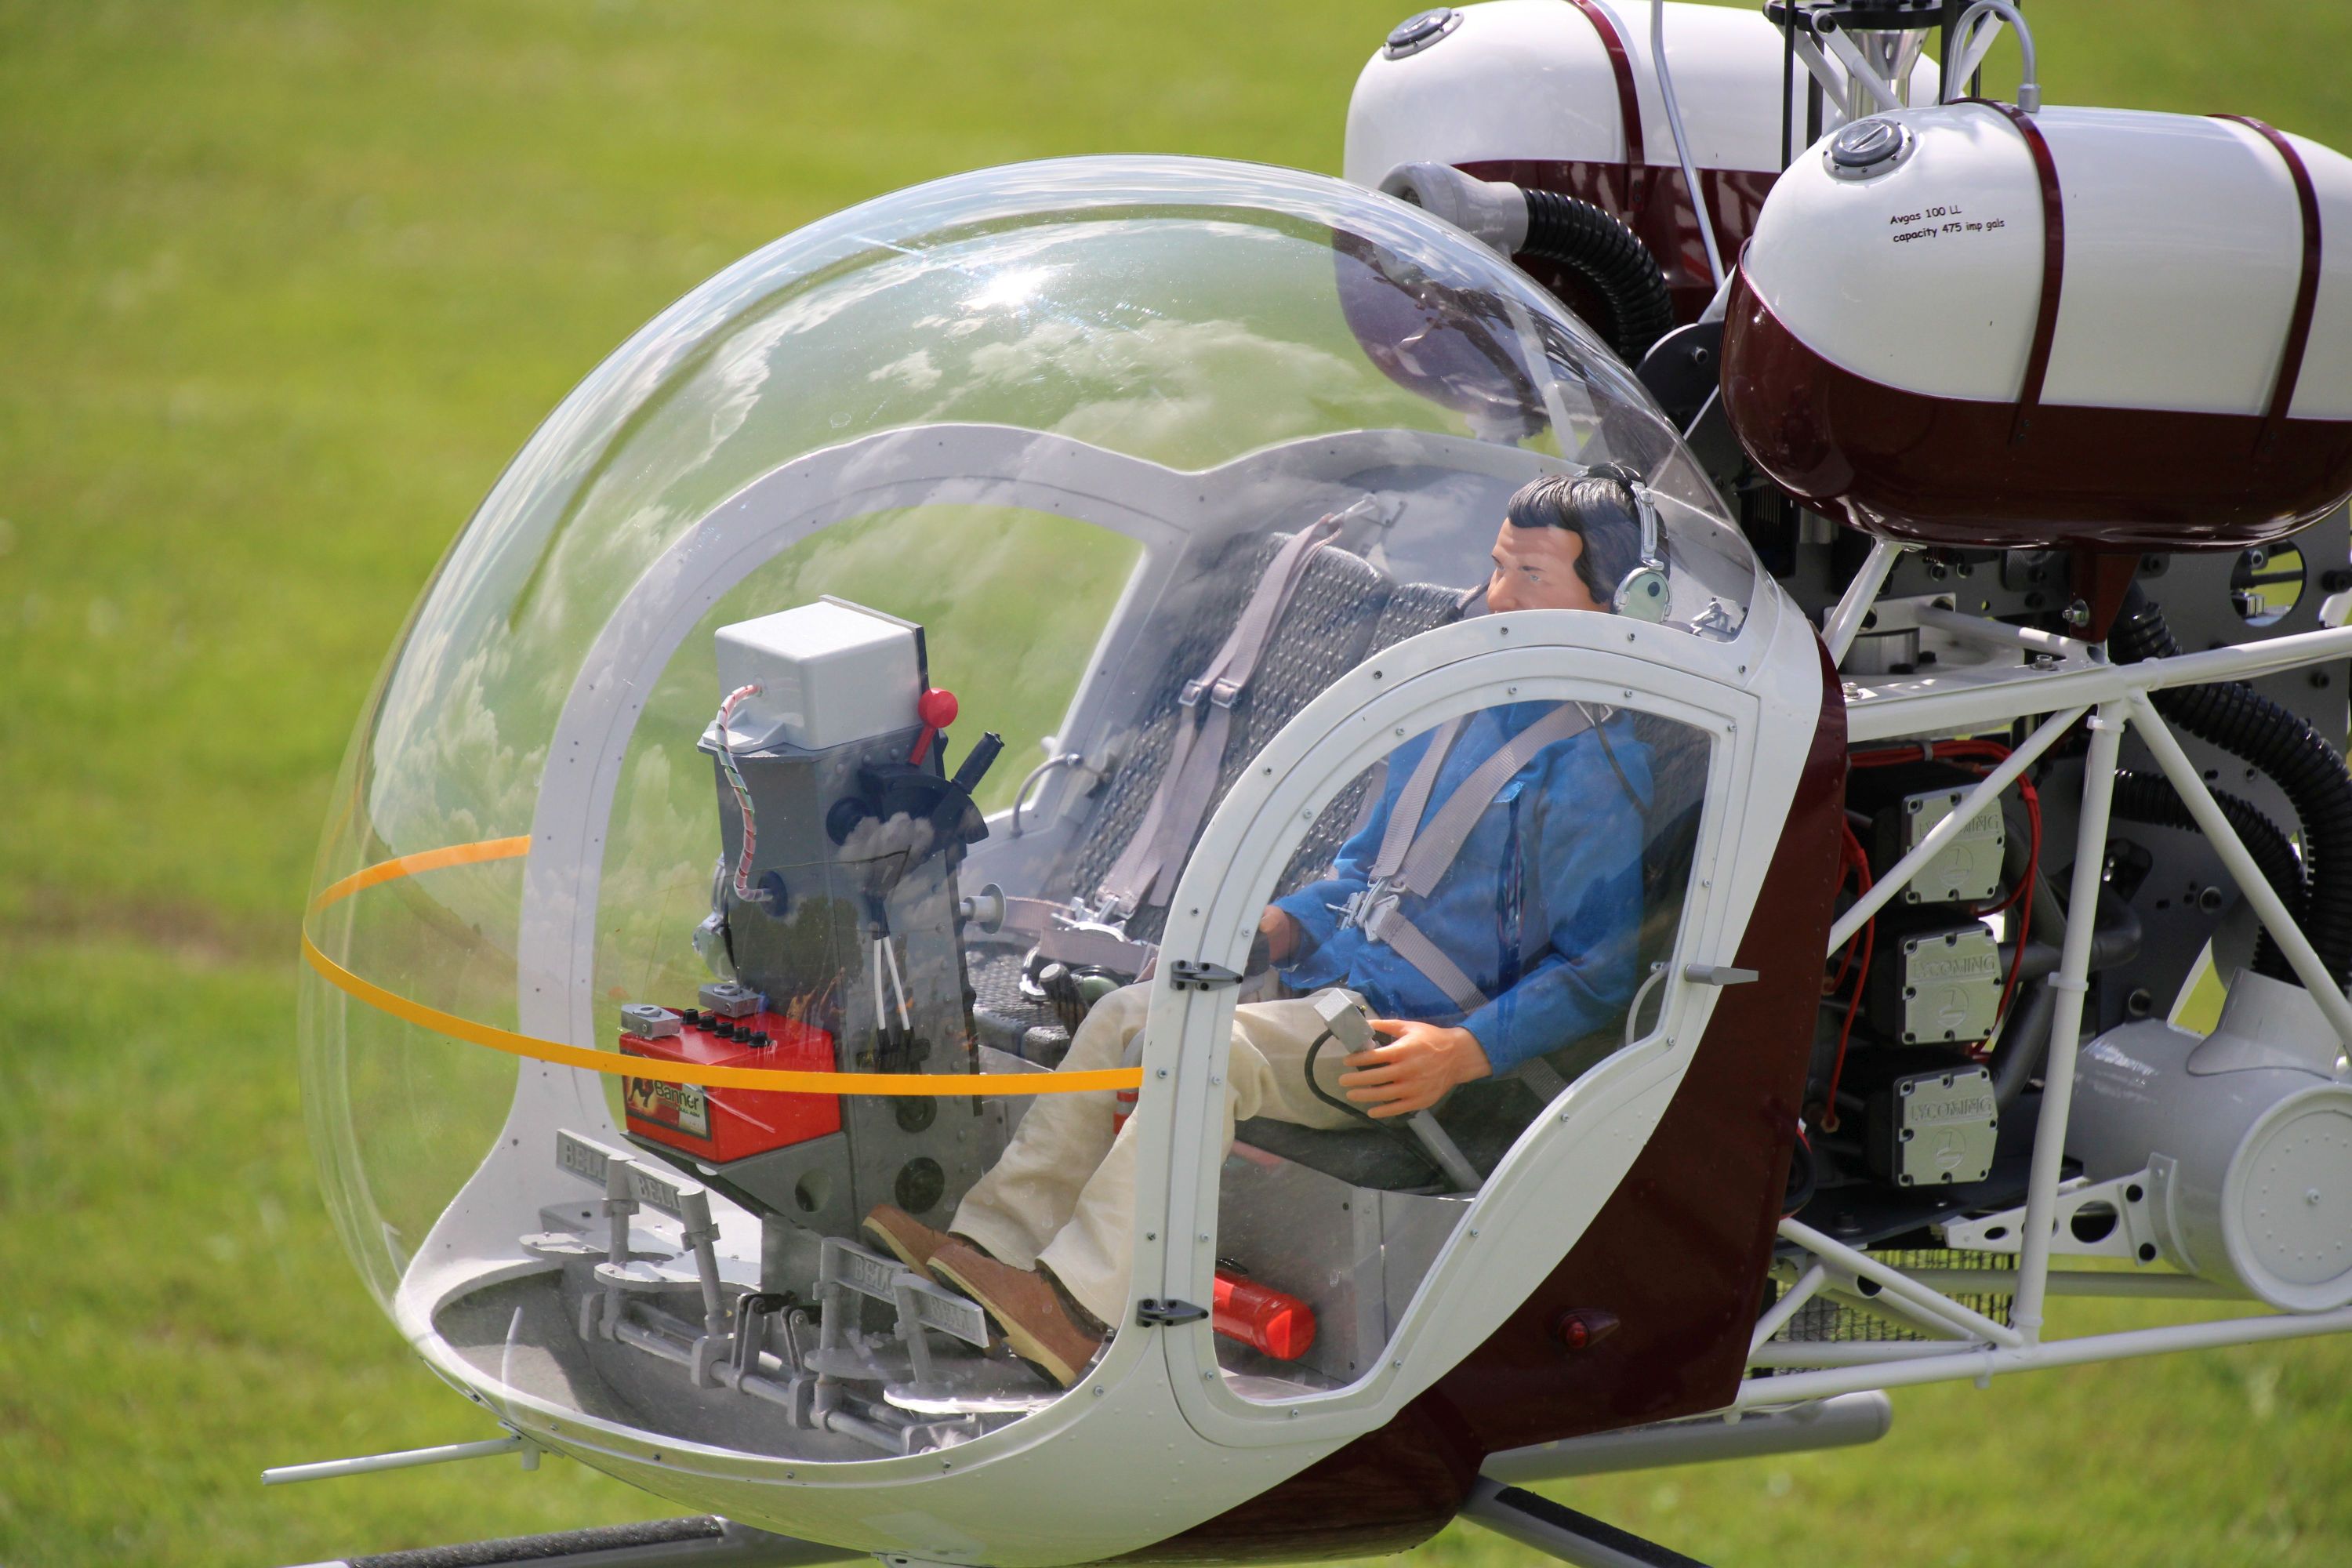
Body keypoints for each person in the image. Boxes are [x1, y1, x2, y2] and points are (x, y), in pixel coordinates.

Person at [865, 467, 1660, 1387]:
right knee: (1123, 1014)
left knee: (1208, 1051)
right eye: (1497, 568)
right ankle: (993, 1244)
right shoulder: (1450, 709)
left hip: (1397, 1038)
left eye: (1532, 577)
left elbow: (1599, 970)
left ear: (1611, 603)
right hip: (1327, 990)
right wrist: (1274, 927)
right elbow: (1364, 871)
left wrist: (1464, 1050)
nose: (1498, 597)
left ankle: (1079, 1307)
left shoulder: (1595, 770)